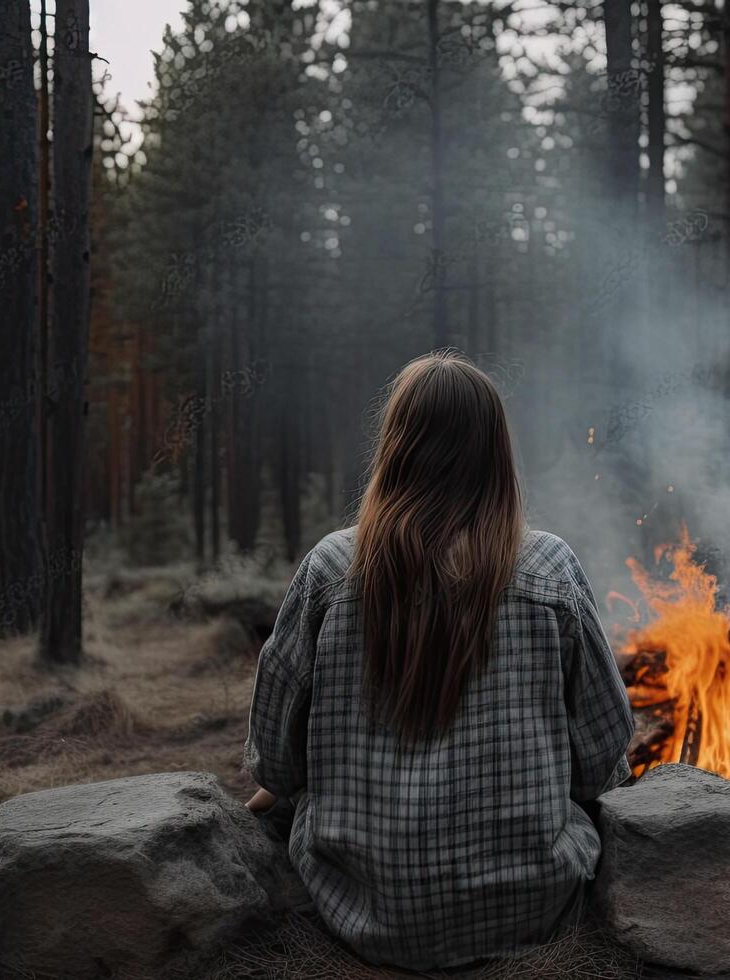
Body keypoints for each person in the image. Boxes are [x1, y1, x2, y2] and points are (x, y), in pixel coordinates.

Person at [243, 351, 634, 971]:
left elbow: (275, 759)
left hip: (360, 910)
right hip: (531, 906)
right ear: (495, 453)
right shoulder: (548, 567)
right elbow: (603, 754)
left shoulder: (328, 569)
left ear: (396, 447)